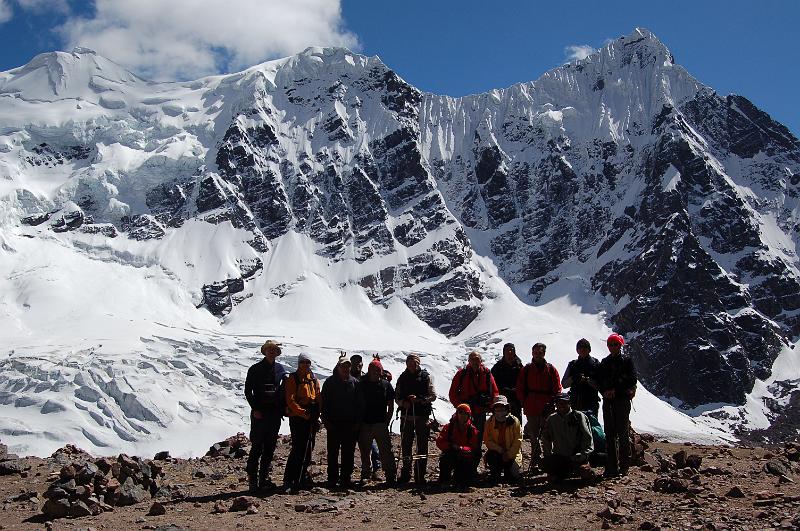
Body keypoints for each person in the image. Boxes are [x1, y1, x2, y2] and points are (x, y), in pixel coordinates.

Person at [244, 340, 287, 492]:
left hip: (274, 414)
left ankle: (264, 478)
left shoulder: (280, 370)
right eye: (269, 349)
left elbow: (283, 390)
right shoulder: (255, 369)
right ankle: (252, 479)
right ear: (264, 351)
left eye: (274, 349)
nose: (271, 351)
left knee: (269, 447)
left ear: (277, 352)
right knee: (257, 446)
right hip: (260, 413)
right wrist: (255, 408)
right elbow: (248, 391)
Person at [596, 333, 637, 478]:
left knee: (622, 433)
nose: (613, 347)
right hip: (609, 401)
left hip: (621, 400)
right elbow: (599, 380)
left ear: (620, 345)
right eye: (611, 344)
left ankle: (624, 466)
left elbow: (632, 379)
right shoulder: (604, 362)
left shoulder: (627, 361)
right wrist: (605, 392)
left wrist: (615, 390)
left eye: (615, 344)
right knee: (610, 434)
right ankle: (612, 467)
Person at [515, 343, 562, 471]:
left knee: (546, 435)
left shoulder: (550, 369)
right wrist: (524, 402)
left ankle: (547, 459)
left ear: (544, 353)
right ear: (532, 353)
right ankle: (536, 460)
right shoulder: (527, 369)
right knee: (534, 435)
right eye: (536, 352)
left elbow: (557, 388)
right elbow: (519, 388)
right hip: (531, 406)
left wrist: (552, 403)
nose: (538, 354)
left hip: (546, 406)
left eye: (540, 352)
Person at [395, 353, 436, 485]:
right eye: (411, 362)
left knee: (422, 446)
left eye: (415, 362)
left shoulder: (426, 377)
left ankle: (419, 474)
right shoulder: (402, 378)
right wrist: (403, 403)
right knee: (406, 445)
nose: (413, 365)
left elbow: (433, 395)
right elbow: (397, 397)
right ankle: (406, 473)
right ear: (407, 363)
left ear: (419, 363)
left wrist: (419, 400)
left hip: (421, 416)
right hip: (407, 415)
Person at [355, 356, 397, 484]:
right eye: (373, 370)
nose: (375, 373)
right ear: (369, 370)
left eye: (377, 370)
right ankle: (366, 474)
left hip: (380, 423)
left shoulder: (386, 385)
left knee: (385, 451)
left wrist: (387, 420)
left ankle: (390, 475)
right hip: (365, 423)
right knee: (365, 450)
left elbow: (391, 404)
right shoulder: (361, 383)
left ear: (381, 371)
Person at [283, 352, 321, 491]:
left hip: (310, 417)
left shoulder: (313, 380)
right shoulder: (293, 378)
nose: (305, 365)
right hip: (298, 418)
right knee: (298, 448)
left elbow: (318, 397)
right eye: (302, 362)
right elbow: (290, 399)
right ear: (298, 363)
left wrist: (317, 414)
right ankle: (289, 479)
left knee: (309, 447)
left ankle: (302, 476)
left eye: (307, 362)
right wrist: (303, 413)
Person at [321, 354, 359, 489]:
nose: (345, 369)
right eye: (343, 366)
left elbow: (360, 404)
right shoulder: (330, 382)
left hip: (350, 424)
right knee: (333, 452)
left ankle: (345, 478)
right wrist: (325, 420)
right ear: (338, 367)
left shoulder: (355, 382)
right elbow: (323, 403)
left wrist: (357, 422)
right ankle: (332, 478)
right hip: (334, 424)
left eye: (348, 366)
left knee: (348, 453)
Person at [449, 351, 499, 449]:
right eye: (472, 359)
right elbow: (452, 393)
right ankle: (464, 453)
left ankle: (475, 454)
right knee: (463, 434)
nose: (475, 362)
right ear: (468, 361)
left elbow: (494, 391)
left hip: (480, 410)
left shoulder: (487, 373)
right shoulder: (462, 373)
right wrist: (460, 407)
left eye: (477, 359)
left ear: (481, 361)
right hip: (465, 411)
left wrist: (491, 406)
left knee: (478, 434)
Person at [541, 392, 594, 482]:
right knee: (545, 467)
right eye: (559, 403)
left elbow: (587, 437)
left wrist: (584, 454)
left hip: (577, 456)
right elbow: (546, 439)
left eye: (564, 403)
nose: (561, 405)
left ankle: (581, 470)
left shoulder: (579, 416)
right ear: (556, 405)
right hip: (560, 457)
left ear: (569, 403)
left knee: (586, 474)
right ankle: (563, 473)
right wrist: (548, 455)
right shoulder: (551, 419)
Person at [436, 404, 481, 488]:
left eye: (465, 413)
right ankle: (445, 480)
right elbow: (440, 441)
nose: (462, 415)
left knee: (464, 482)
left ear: (469, 415)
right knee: (446, 458)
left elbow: (474, 447)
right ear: (457, 413)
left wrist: (461, 448)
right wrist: (450, 446)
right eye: (460, 412)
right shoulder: (449, 427)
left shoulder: (472, 429)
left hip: (464, 455)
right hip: (451, 453)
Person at [482, 395, 523, 483]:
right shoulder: (489, 422)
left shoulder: (515, 421)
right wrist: (500, 450)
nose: (500, 410)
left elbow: (518, 441)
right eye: (497, 407)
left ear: (507, 408)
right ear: (494, 409)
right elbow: (487, 440)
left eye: (502, 407)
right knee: (491, 457)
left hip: (512, 454)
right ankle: (495, 473)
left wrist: (509, 454)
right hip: (497, 453)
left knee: (513, 475)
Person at [561, 338, 601, 417]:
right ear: (577, 350)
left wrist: (587, 380)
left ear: (589, 349)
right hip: (575, 402)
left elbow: (601, 385)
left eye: (585, 347)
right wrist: (574, 378)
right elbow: (564, 384)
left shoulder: (596, 364)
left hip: (591, 403)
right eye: (580, 347)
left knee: (590, 427)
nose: (582, 349)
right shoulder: (572, 364)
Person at [491, 343, 523, 421]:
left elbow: (524, 383)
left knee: (516, 425)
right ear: (503, 352)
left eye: (511, 350)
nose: (509, 352)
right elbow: (493, 385)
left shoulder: (520, 367)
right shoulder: (497, 368)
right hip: (501, 403)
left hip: (516, 402)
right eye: (507, 350)